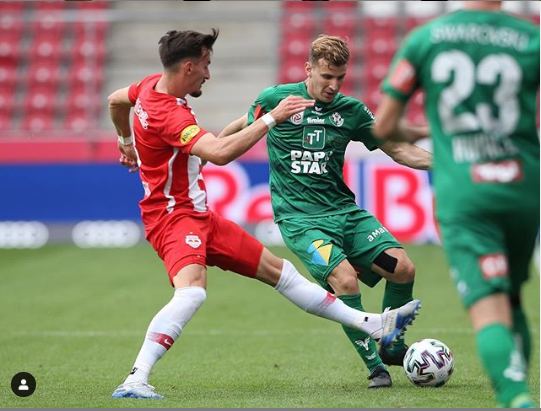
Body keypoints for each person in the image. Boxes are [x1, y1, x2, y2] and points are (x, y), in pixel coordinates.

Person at [107, 28, 421, 400]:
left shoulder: (148, 87)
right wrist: (272, 118)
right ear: (188, 66)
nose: (209, 73)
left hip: (202, 216)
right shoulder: (171, 113)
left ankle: (376, 325)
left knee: (281, 273)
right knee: (192, 293)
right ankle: (136, 379)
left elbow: (116, 100)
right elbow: (219, 153)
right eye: (205, 65)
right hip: (174, 217)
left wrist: (125, 141)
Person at [220, 35, 432, 388]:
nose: (334, 85)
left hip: (345, 213)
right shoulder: (276, 99)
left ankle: (392, 344)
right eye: (326, 77)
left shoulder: (352, 111)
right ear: (309, 69)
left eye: (340, 78)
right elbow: (243, 123)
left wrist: (447, 165)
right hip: (301, 220)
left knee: (402, 268)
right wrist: (211, 149)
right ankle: (376, 367)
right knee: (344, 280)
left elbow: (399, 150)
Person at [373, 2, 539, 408]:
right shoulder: (529, 38)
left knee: (488, 304)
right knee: (513, 297)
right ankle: (517, 385)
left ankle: (516, 398)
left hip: (466, 191)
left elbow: (383, 127)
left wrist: (426, 129)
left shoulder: (427, 39)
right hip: (522, 185)